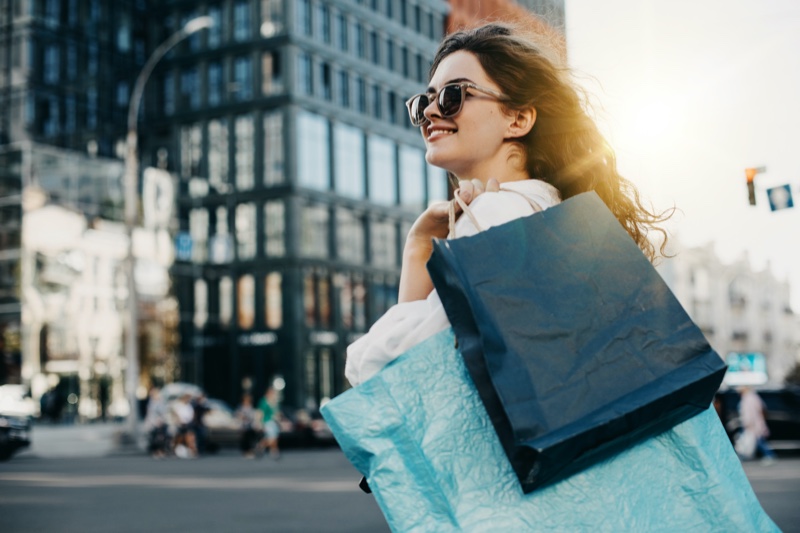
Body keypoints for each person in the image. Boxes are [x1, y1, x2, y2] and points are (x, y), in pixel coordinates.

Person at [345, 22, 671, 387]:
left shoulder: (497, 215)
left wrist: (416, 251)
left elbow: (394, 376)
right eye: (424, 102)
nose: (431, 114)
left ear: (518, 118)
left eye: (453, 95)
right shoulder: (561, 216)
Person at [738, 386, 777, 464]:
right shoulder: (753, 397)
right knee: (756, 440)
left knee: (758, 441)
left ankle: (770, 455)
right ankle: (769, 455)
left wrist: (748, 423)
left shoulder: (748, 399)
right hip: (755, 423)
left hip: (752, 423)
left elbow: (749, 413)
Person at [257, 387, 281, 459]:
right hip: (267, 421)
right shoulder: (263, 401)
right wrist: (259, 423)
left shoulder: (273, 402)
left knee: (274, 438)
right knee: (271, 438)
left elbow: (276, 412)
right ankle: (260, 446)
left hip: (274, 422)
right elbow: (260, 412)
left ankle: (273, 451)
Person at [235, 393, 260, 458]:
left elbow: (253, 417)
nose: (247, 402)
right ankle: (246, 452)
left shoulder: (251, 407)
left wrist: (256, 424)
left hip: (250, 426)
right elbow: (238, 416)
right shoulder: (240, 407)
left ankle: (251, 451)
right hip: (244, 426)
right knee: (244, 440)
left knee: (251, 439)